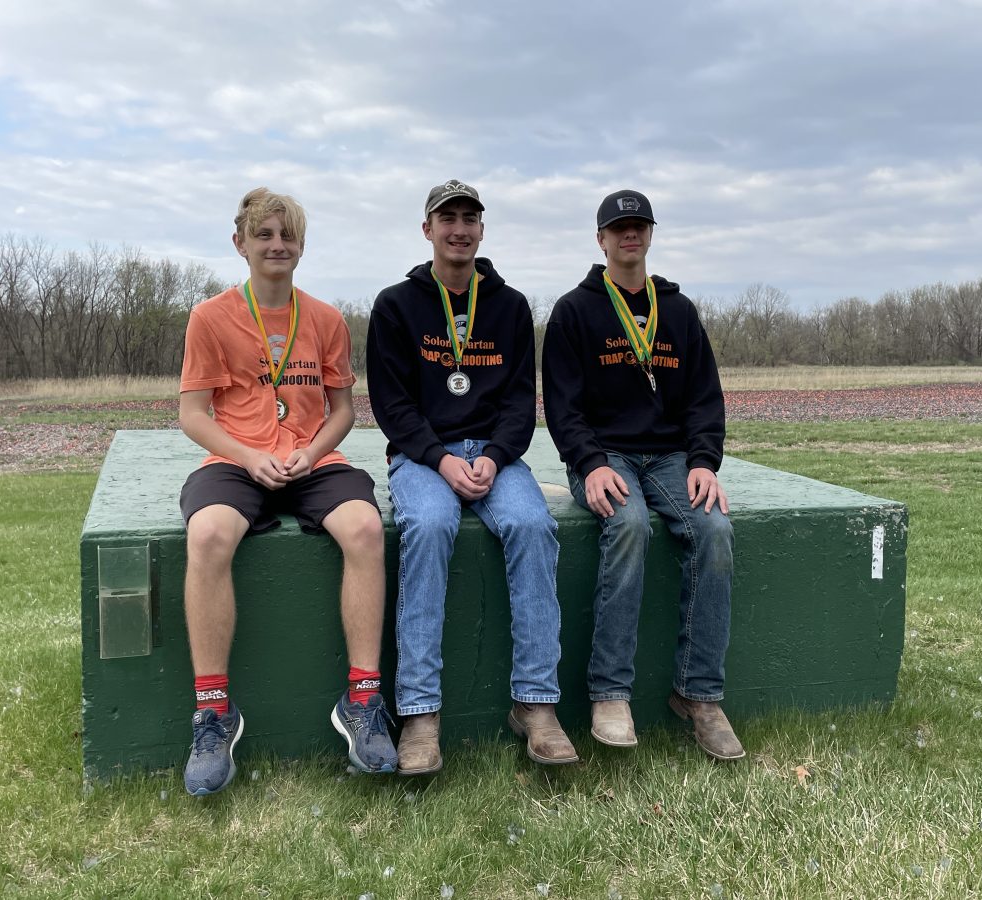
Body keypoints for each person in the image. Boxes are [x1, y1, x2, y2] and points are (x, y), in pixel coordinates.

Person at [177, 187, 398, 796]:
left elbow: (344, 410)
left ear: (302, 245)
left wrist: (312, 451)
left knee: (365, 528)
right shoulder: (211, 317)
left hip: (311, 460)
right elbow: (194, 414)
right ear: (240, 243)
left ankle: (362, 699)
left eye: (288, 235)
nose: (278, 245)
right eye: (265, 234)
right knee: (209, 534)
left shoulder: (324, 318)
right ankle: (214, 711)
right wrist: (250, 457)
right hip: (235, 458)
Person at [366, 179, 577, 774]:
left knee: (532, 524)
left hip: (494, 454)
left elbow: (518, 399)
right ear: (427, 229)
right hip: (423, 456)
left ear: (482, 230)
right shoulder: (395, 305)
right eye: (447, 217)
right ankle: (420, 716)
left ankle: (536, 706)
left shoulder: (509, 307)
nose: (459, 228)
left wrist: (494, 454)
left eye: (470, 217)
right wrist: (440, 458)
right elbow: (392, 403)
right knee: (429, 526)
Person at [542, 188, 745, 761]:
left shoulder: (677, 311)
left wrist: (704, 462)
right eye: (618, 227)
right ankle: (610, 693)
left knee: (715, 531)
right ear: (601, 239)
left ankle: (699, 695)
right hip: (604, 457)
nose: (629, 235)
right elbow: (562, 405)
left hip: (672, 459)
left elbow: (705, 398)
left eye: (639, 225)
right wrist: (589, 463)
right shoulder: (575, 311)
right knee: (628, 524)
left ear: (650, 234)